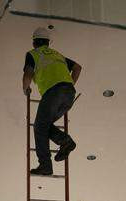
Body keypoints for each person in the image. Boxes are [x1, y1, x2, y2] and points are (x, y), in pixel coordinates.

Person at [23, 26, 82, 176]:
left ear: (34, 43)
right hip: (69, 95)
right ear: (48, 42)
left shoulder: (33, 54)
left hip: (53, 93)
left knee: (39, 127)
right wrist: (68, 85)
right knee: (44, 125)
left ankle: (45, 165)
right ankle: (65, 141)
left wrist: (26, 89)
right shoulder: (58, 55)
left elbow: (28, 74)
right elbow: (78, 68)